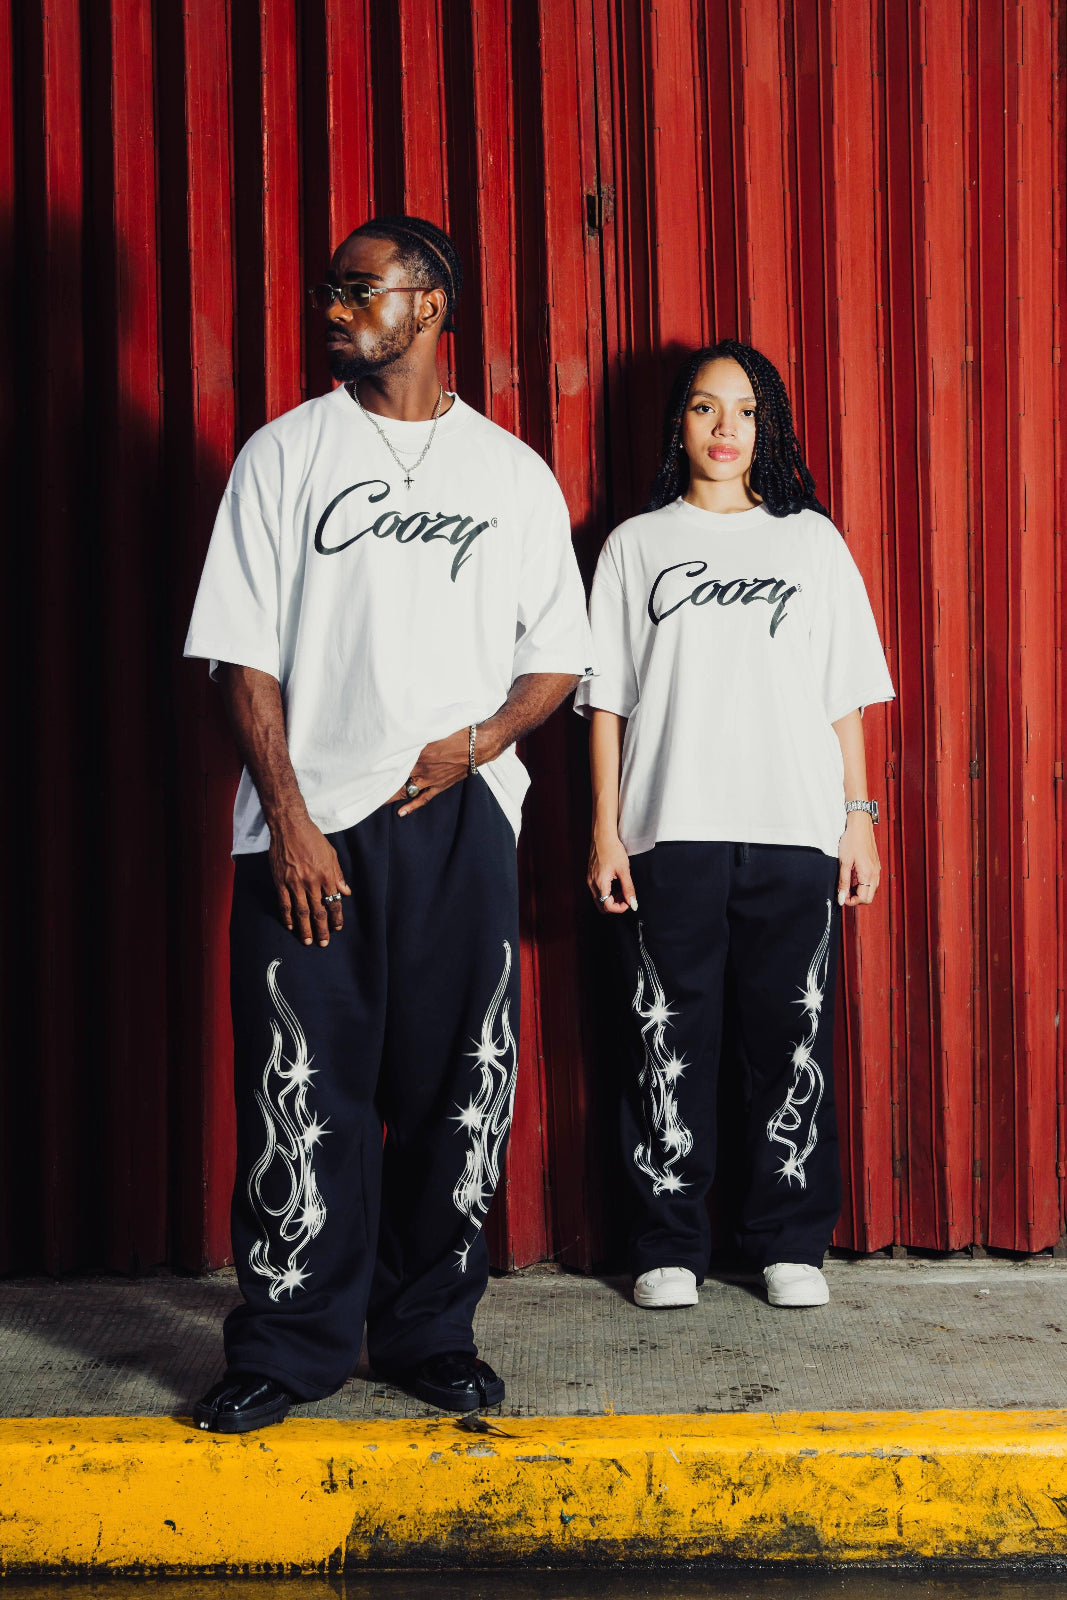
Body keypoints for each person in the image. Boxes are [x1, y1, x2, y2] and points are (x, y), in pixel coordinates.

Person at [184, 214, 594, 1432]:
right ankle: (289, 1343)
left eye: (359, 288)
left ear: (429, 305)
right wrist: (293, 821)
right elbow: (236, 659)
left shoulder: (508, 473)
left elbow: (557, 660)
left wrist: (478, 740)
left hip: (461, 818)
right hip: (308, 830)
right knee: (298, 1086)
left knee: (455, 1083)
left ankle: (428, 1331)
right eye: (329, 287)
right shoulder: (283, 456)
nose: (333, 306)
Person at [576, 340, 894, 1312]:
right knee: (666, 1036)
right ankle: (667, 1240)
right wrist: (604, 827)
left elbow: (844, 695)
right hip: (669, 826)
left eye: (744, 411)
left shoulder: (808, 542)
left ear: (768, 426)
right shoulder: (634, 544)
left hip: (793, 826)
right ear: (678, 421)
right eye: (706, 409)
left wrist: (857, 817)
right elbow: (606, 701)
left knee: (789, 1037)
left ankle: (787, 1240)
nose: (725, 429)